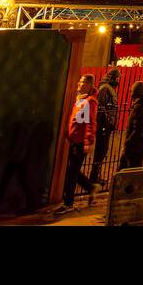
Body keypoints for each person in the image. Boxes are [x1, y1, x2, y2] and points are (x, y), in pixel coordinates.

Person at [57, 74, 97, 213]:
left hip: (80, 142)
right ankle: (90, 188)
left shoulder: (88, 102)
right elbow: (78, 120)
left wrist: (87, 141)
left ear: (88, 85)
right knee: (72, 171)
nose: (79, 84)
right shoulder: (80, 100)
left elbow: (89, 122)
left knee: (71, 173)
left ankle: (68, 203)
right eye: (79, 82)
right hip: (75, 140)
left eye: (81, 82)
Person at [93, 67, 120, 183]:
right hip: (104, 125)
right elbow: (101, 107)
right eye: (118, 77)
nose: (119, 79)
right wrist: (108, 121)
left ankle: (95, 176)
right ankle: (93, 177)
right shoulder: (105, 88)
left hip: (107, 124)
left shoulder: (109, 88)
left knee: (103, 150)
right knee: (101, 150)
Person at [119, 82, 143, 169]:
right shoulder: (142, 106)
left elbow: (139, 129)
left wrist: (127, 143)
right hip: (138, 147)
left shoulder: (139, 107)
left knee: (128, 171)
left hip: (135, 148)